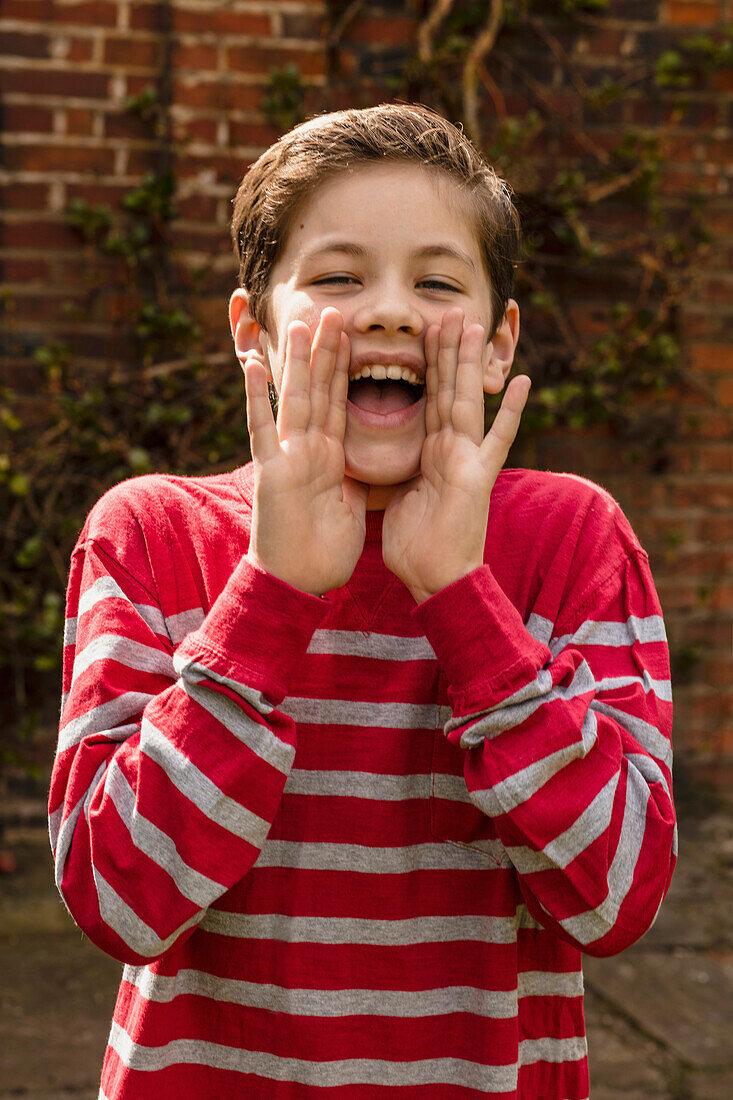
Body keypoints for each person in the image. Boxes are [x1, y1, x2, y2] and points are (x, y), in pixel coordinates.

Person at [49, 104, 676, 1099]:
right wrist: (272, 596)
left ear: (499, 341)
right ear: (253, 332)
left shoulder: (572, 540)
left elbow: (616, 899)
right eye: (339, 276)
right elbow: (118, 899)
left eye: (435, 281)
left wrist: (463, 599)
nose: (388, 311)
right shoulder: (152, 535)